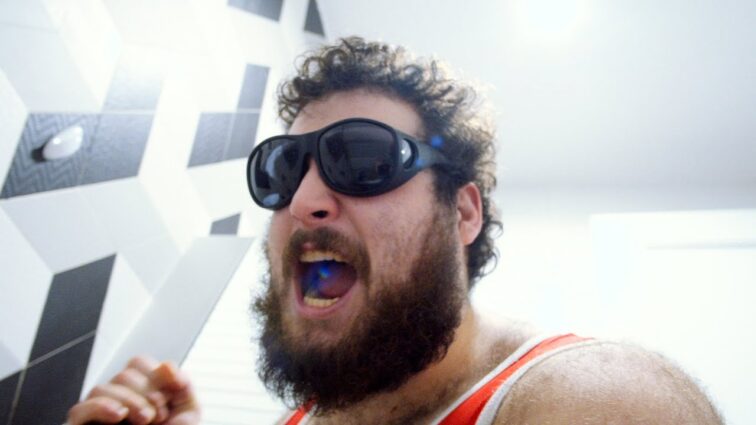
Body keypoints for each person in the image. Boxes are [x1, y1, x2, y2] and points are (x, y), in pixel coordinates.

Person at [68, 37, 723, 425]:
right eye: (283, 169)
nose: (304, 201)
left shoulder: (589, 399)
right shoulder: (304, 415)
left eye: (362, 160)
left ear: (462, 212)